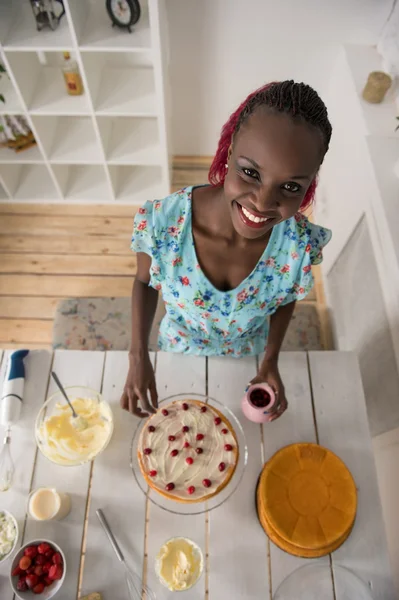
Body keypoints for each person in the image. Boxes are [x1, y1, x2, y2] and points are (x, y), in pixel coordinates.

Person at [121, 80, 332, 420]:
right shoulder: (162, 225)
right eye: (250, 172)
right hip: (178, 348)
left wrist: (270, 360)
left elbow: (286, 296)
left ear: (310, 185)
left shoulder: (298, 247)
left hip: (250, 353)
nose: (262, 204)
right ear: (230, 150)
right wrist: (138, 357)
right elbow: (144, 283)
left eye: (291, 186)